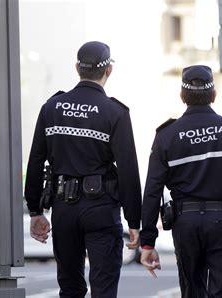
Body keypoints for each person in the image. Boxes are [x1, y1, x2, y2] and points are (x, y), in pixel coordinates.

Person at [139, 65, 222, 297]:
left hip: (186, 224)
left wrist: (148, 243)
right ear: (213, 95)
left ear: (183, 96)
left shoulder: (166, 136)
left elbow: (152, 191)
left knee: (192, 292)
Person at [24, 41, 142, 298]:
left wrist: (35, 210)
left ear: (77, 67)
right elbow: (128, 170)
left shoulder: (51, 108)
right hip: (101, 210)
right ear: (108, 70)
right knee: (104, 288)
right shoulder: (114, 112)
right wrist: (135, 221)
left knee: (70, 288)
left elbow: (35, 161)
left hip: (63, 210)